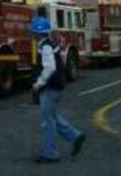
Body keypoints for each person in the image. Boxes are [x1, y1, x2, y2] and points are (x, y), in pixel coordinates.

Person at [30, 17, 86, 163]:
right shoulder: (48, 44)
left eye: (33, 32)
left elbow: (50, 68)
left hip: (49, 88)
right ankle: (75, 136)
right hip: (55, 87)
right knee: (53, 116)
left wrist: (38, 84)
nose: (32, 35)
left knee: (47, 121)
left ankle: (50, 153)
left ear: (37, 33)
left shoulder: (45, 47)